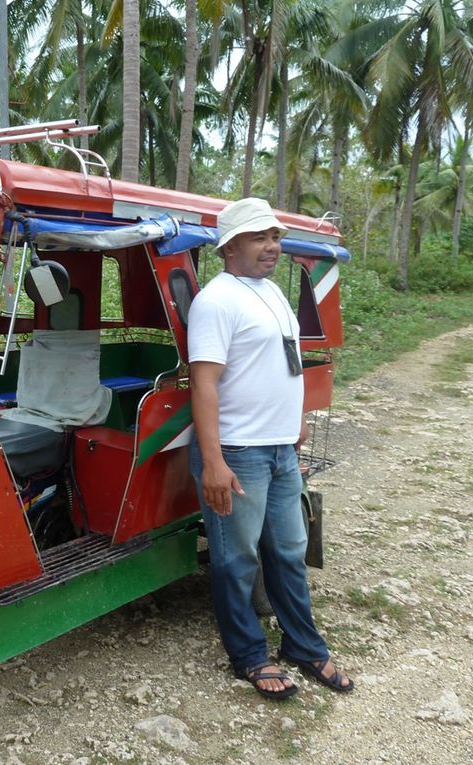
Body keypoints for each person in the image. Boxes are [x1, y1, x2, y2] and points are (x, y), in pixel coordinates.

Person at [188, 197, 353, 700]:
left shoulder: (271, 295)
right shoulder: (216, 301)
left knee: (287, 551)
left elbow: (291, 360)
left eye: (276, 237)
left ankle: (302, 646)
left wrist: (296, 419)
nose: (273, 247)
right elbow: (204, 383)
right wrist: (213, 462)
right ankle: (249, 656)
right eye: (261, 237)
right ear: (230, 245)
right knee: (235, 560)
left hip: (280, 449)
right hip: (237, 453)